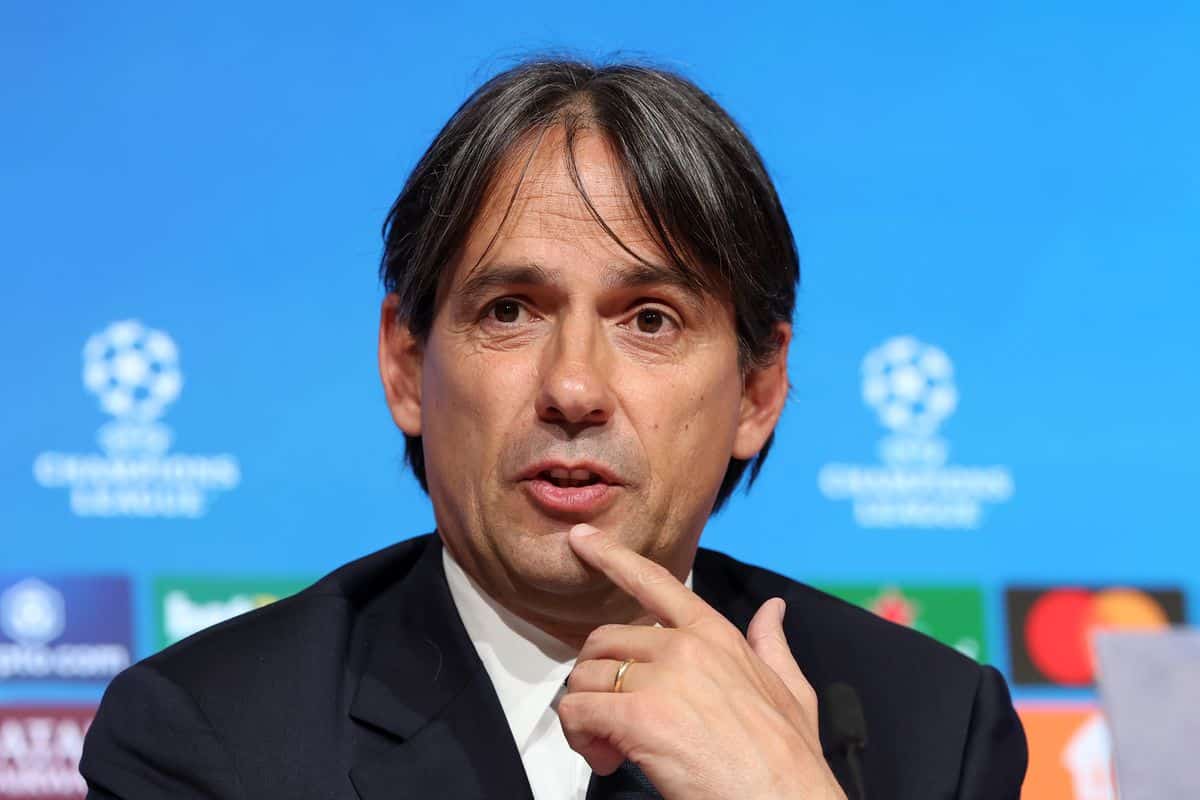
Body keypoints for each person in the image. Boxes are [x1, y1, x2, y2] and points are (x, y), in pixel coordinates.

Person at [80, 58, 1027, 800]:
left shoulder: (929, 726)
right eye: (510, 312)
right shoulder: (214, 734)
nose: (573, 388)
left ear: (757, 389)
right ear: (406, 366)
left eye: (650, 319)